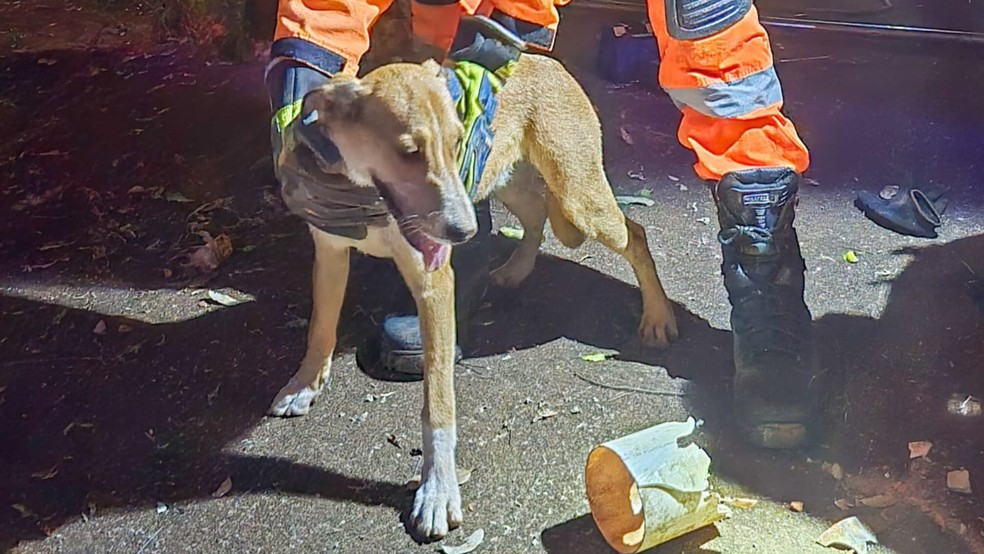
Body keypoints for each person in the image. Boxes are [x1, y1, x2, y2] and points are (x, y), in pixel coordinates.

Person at [267, 0, 817, 449]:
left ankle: (758, 274)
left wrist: (497, 48)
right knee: (451, 35)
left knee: (591, 207)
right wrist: (308, 66)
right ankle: (490, 241)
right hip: (452, 70)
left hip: (556, 90)